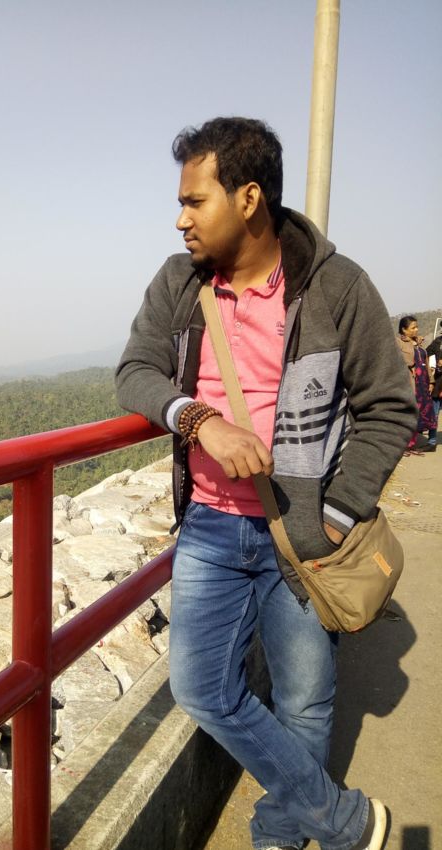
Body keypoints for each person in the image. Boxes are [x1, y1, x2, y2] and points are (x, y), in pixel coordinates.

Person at [116, 117, 417, 850]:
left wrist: (337, 516)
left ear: (248, 198)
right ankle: (343, 818)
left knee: (306, 699)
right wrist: (199, 421)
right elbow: (135, 372)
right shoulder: (179, 283)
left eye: (195, 201)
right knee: (201, 689)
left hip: (303, 536)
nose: (181, 219)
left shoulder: (336, 287)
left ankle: (284, 830)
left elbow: (389, 406)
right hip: (211, 526)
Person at [396, 316, 436, 454]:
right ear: (404, 329)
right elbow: (398, 358)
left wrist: (431, 381)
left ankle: (411, 445)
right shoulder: (399, 342)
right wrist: (410, 362)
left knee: (418, 415)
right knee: (408, 414)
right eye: (413, 327)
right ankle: (403, 445)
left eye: (417, 327)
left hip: (423, 385)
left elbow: (426, 363)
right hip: (410, 383)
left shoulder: (419, 344)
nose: (416, 330)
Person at [425, 329, 442, 450]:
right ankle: (432, 442)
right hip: (438, 384)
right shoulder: (437, 342)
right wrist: (431, 367)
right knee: (434, 414)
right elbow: (424, 354)